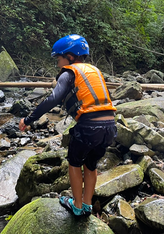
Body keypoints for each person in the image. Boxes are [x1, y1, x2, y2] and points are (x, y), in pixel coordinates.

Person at [19, 34, 117, 217]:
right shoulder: (94, 70)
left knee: (74, 162)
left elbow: (53, 99)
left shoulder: (69, 72)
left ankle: (77, 206)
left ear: (70, 57)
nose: (58, 63)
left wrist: (28, 119)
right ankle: (87, 204)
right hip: (110, 126)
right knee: (91, 164)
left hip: (88, 127)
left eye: (59, 58)